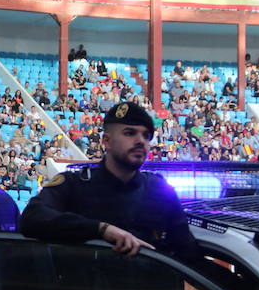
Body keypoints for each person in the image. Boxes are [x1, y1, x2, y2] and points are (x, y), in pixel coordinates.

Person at [20, 101, 199, 259]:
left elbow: (189, 253)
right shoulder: (74, 184)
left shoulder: (160, 191)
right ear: (106, 141)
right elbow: (32, 217)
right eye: (130, 133)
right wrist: (101, 230)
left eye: (146, 136)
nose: (140, 141)